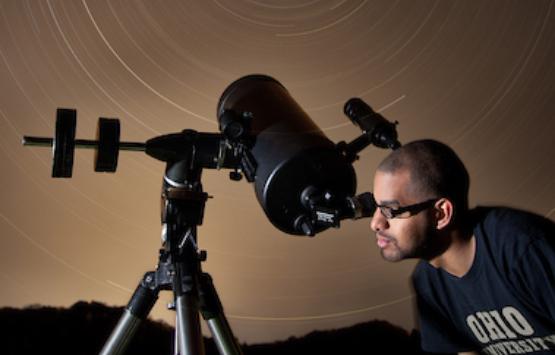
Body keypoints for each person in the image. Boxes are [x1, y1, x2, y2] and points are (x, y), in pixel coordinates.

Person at [369, 139, 555, 355]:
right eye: (375, 207)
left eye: (390, 210)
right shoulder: (427, 283)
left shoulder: (524, 248)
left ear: (441, 214)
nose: (375, 223)